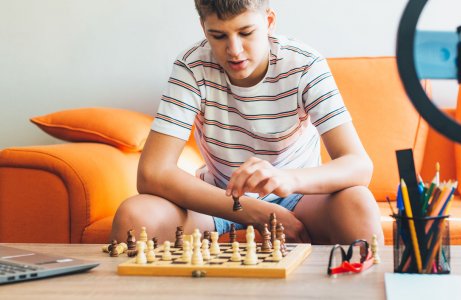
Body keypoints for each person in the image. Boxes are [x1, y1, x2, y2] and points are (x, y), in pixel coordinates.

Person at [111, 0, 384, 245]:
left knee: (358, 203)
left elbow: (358, 166)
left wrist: (287, 179)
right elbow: (151, 173)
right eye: (218, 36)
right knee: (135, 215)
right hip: (215, 201)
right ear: (203, 28)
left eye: (246, 33)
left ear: (269, 21)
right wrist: (251, 210)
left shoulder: (305, 65)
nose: (234, 50)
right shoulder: (191, 67)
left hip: (298, 199)